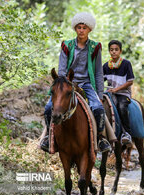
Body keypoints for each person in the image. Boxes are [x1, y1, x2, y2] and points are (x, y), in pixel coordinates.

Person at [41, 12, 111, 153]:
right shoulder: (67, 46)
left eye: (84, 28)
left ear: (89, 29)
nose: (81, 30)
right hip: (67, 83)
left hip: (86, 84)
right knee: (49, 108)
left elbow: (98, 72)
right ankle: (49, 136)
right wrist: (64, 85)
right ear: (75, 29)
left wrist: (100, 94)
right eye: (78, 27)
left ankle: (100, 138)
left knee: (98, 108)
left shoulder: (95, 47)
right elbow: (61, 71)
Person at [103, 40, 134, 146]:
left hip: (123, 94)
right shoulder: (106, 66)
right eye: (111, 50)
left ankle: (127, 133)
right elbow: (100, 80)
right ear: (109, 51)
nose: (114, 52)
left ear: (120, 51)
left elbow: (130, 81)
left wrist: (116, 89)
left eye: (116, 50)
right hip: (110, 94)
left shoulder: (126, 64)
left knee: (121, 107)